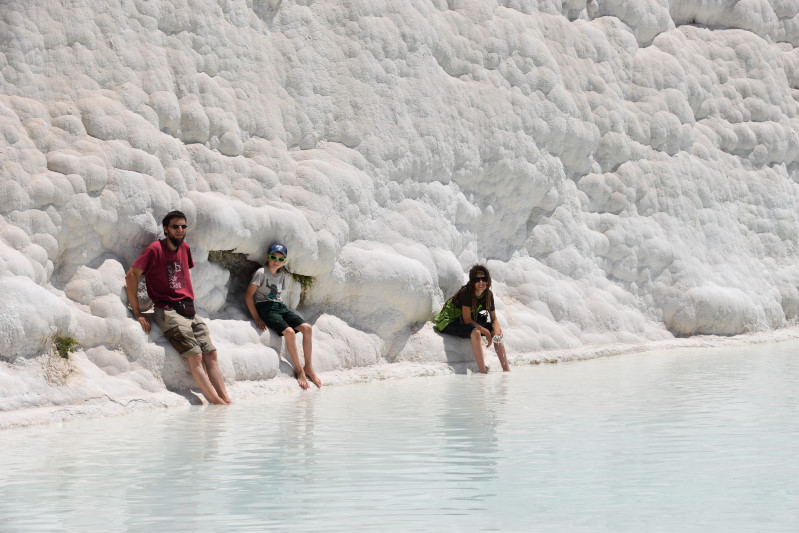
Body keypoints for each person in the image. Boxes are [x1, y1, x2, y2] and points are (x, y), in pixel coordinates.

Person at [125, 211, 232, 405]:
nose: (180, 230)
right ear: (166, 229)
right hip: (167, 310)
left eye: (183, 226)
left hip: (189, 311)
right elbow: (131, 275)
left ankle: (226, 399)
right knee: (196, 356)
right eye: (175, 226)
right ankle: (216, 402)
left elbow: (182, 279)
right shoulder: (154, 249)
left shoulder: (185, 249)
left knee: (211, 353)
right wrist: (137, 311)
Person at [245, 243, 321, 389]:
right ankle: (299, 370)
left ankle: (309, 367)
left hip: (280, 307)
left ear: (284, 261)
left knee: (307, 328)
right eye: (273, 257)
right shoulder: (261, 272)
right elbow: (249, 296)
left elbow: (278, 297)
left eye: (280, 259)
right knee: (289, 332)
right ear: (268, 257)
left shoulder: (281, 276)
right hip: (265, 307)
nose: (276, 261)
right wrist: (256, 317)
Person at [434, 264, 510, 373]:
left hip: (463, 318)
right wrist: (486, 332)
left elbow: (494, 319)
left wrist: (496, 333)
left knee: (497, 331)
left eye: (483, 279)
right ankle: (483, 371)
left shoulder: (488, 295)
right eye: (477, 279)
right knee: (476, 332)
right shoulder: (466, 292)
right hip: (448, 321)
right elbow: (467, 320)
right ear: (472, 281)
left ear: (487, 280)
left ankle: (506, 369)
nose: (481, 282)